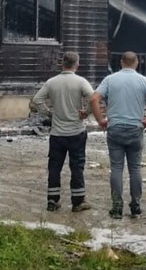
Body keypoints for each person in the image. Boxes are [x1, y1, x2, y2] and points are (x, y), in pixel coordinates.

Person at [91, 51, 146, 220]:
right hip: (135, 129)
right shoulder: (144, 81)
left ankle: (116, 206)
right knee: (135, 168)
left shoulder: (110, 79)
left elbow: (94, 99)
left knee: (116, 168)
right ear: (136, 63)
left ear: (121, 62)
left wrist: (100, 120)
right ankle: (135, 205)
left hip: (114, 128)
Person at [31, 52, 95, 213]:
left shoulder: (52, 82)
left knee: (54, 167)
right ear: (77, 64)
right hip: (76, 132)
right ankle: (78, 202)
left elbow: (37, 100)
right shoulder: (80, 81)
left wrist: (49, 114)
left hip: (57, 134)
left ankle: (52, 201)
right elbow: (94, 98)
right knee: (77, 166)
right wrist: (86, 112)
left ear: (62, 64)